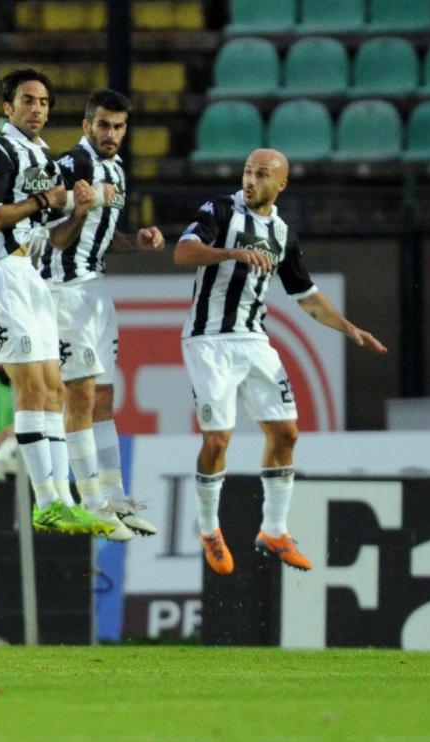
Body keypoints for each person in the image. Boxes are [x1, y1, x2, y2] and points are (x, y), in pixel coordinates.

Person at [172, 148, 387, 575]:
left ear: (281, 183)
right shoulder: (220, 209)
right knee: (217, 441)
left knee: (286, 432)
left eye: (262, 174)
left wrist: (349, 328)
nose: (250, 180)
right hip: (209, 341)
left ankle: (274, 530)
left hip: (254, 341)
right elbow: (183, 253)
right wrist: (231, 254)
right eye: (247, 171)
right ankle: (209, 528)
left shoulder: (283, 233)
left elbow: (305, 296)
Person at [0, 67, 113, 536]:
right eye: (28, 100)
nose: (38, 109)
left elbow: (58, 239)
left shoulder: (41, 156)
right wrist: (43, 202)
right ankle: (45, 499)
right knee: (31, 387)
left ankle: (62, 498)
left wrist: (78, 210)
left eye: (44, 102)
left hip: (28, 273)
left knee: (54, 388)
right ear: (9, 108)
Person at [41, 89, 166, 540]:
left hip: (95, 291)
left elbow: (103, 239)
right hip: (62, 292)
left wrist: (140, 242)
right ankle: (90, 502)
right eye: (102, 125)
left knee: (106, 398)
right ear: (86, 125)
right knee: (80, 396)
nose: (110, 134)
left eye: (118, 127)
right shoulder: (69, 166)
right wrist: (80, 210)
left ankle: (115, 499)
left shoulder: (116, 171)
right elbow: (54, 238)